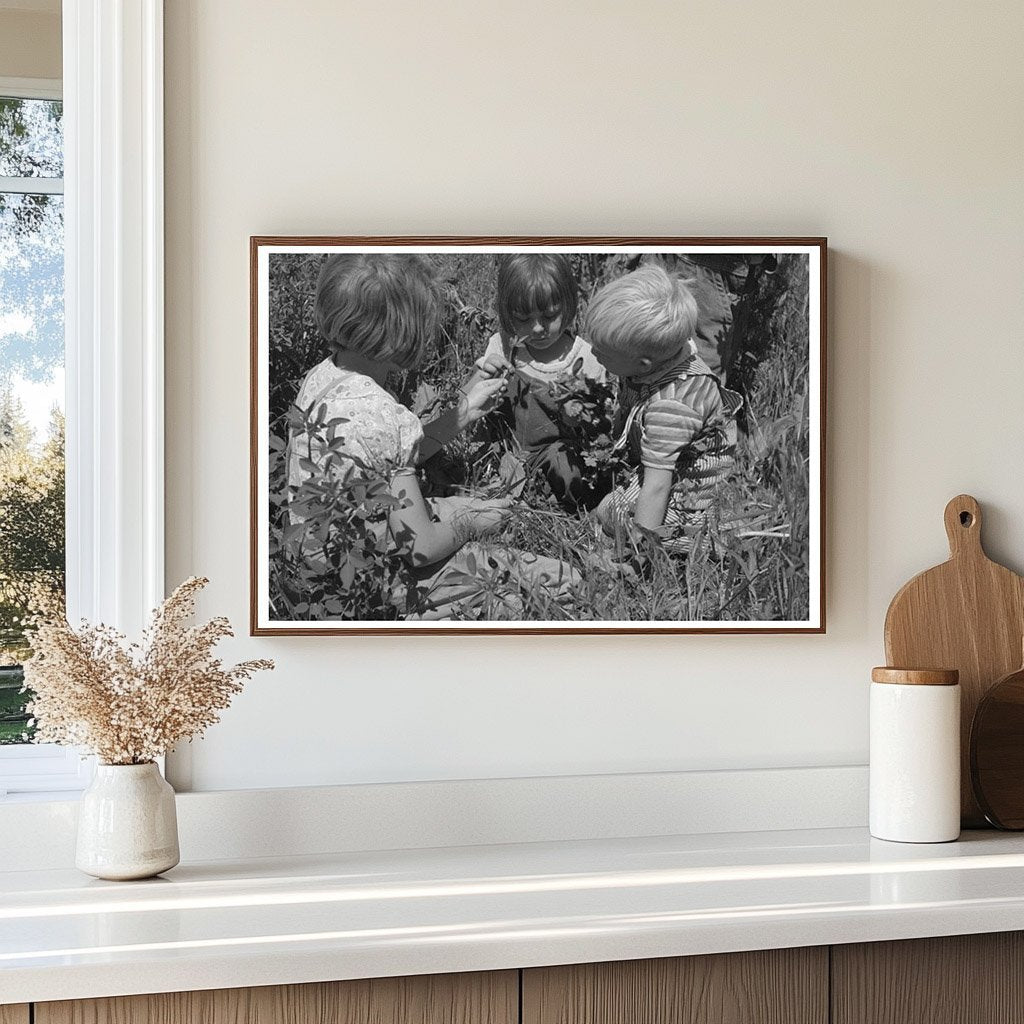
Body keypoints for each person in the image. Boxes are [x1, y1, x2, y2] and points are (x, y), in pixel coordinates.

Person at [287, 253, 577, 619]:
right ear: (402, 333)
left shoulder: (321, 378)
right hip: (372, 577)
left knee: (469, 504)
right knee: (562, 579)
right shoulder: (382, 415)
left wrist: (465, 411)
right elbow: (420, 547)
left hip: (319, 556)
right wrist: (472, 524)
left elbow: (384, 462)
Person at [583, 264, 743, 543]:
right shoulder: (673, 354)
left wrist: (639, 549)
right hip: (668, 459)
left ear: (642, 363)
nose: (593, 351)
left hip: (690, 492)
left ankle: (688, 539)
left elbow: (657, 486)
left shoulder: (670, 406)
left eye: (602, 351)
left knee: (609, 509)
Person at [476, 254, 606, 509]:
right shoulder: (503, 346)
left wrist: (580, 416)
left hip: (560, 459)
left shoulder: (585, 358)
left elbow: (599, 423)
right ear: (507, 312)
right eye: (523, 319)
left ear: (568, 305)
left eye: (549, 316)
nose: (537, 329)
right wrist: (487, 372)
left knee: (566, 466)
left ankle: (570, 506)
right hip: (510, 452)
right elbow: (473, 397)